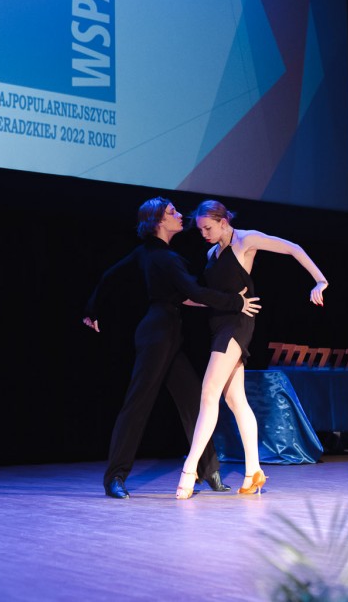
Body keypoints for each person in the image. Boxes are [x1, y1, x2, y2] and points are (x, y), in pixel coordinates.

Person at [83, 196, 261, 499]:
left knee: (193, 399)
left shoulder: (153, 254)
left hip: (168, 335)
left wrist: (92, 308)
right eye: (172, 212)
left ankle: (210, 470)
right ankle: (115, 477)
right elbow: (194, 291)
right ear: (158, 221)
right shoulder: (164, 258)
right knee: (138, 404)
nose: (180, 215)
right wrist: (235, 302)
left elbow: (112, 277)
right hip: (157, 336)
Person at [175, 200, 329, 500]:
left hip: (237, 324)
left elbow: (293, 248)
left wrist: (320, 281)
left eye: (208, 228)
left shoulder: (246, 240)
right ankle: (253, 472)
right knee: (236, 400)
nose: (204, 234)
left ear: (223, 221)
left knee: (209, 393)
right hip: (219, 324)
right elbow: (216, 297)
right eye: (200, 229)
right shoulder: (211, 253)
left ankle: (189, 470)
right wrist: (185, 299)